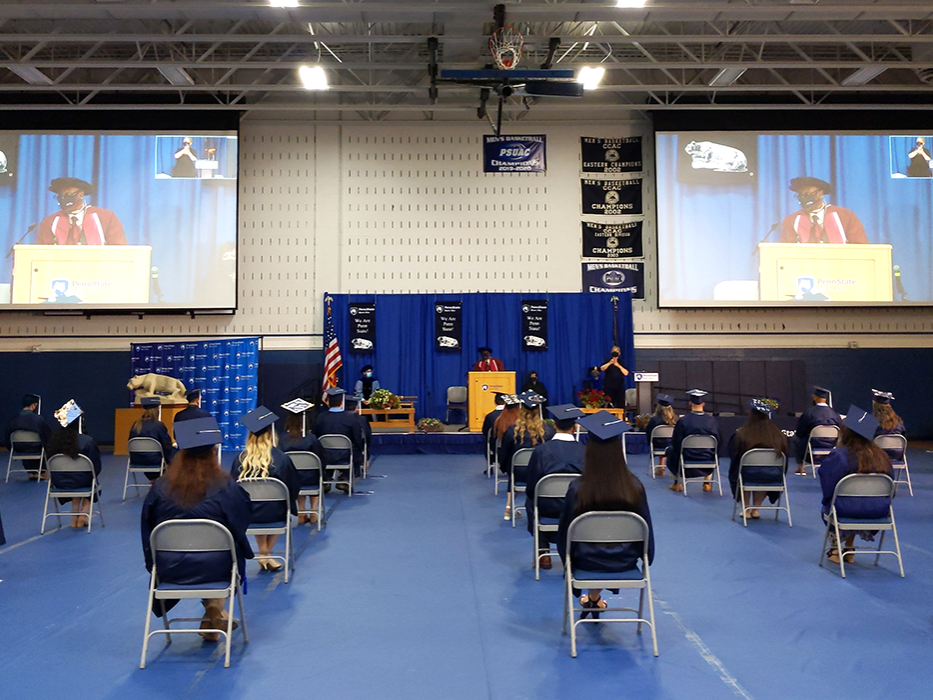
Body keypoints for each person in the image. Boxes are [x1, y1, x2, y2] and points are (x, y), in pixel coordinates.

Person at [140, 416, 253, 641]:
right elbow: (241, 524)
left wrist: (154, 563)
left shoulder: (160, 488)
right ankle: (214, 608)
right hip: (217, 568)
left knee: (208, 553)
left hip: (171, 569)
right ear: (213, 453)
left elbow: (147, 529)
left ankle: (212, 611)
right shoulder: (226, 487)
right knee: (227, 550)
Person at [558, 411, 654, 619]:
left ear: (589, 451)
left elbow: (564, 536)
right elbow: (647, 536)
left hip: (586, 561)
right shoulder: (634, 487)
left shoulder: (578, 489)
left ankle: (591, 598)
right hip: (624, 561)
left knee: (586, 546)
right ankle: (594, 599)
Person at [818, 406, 893, 564]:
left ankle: (837, 549)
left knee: (836, 502)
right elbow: (890, 489)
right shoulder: (882, 457)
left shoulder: (839, 456)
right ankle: (849, 547)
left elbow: (828, 486)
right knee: (854, 500)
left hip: (845, 510)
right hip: (878, 511)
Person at [230, 407, 300, 572]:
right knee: (282, 505)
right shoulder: (281, 458)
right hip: (275, 513)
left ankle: (264, 553)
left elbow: (232, 489)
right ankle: (265, 554)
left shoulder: (240, 460)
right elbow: (293, 487)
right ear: (271, 433)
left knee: (253, 504)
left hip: (250, 515)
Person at [524, 404, 586, 569]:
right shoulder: (585, 451)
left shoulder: (541, 451)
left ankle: (543, 553)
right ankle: (574, 553)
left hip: (548, 506)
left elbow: (531, 488)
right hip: (576, 507)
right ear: (575, 428)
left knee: (533, 502)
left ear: (554, 425)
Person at [727, 398, 788, 519]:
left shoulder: (741, 435)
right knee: (764, 472)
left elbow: (733, 456)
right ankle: (755, 508)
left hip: (747, 475)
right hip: (772, 476)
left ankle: (746, 509)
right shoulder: (779, 437)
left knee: (741, 470)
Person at [499, 391, 554, 521]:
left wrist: (506, 469)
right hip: (543, 474)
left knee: (513, 469)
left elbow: (504, 455)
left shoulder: (513, 431)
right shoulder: (549, 430)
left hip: (520, 473)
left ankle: (508, 508)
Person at [46, 401, 102, 528]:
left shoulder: (53, 441)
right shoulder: (87, 441)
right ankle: (83, 513)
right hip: (82, 481)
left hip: (60, 482)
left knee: (74, 477)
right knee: (89, 480)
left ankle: (74, 514)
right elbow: (96, 468)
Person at [36, 177, 127, 246]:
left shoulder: (105, 217)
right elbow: (41, 254)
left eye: (68, 194)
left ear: (81, 194)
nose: (64, 199)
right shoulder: (49, 222)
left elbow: (119, 250)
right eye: (61, 196)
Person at [779, 176, 868, 244]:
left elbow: (861, 247)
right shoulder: (792, 220)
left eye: (807, 194)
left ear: (820, 194)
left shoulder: (845, 215)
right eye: (800, 196)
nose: (804, 198)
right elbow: (785, 251)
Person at [666, 389, 720, 492]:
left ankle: (677, 483)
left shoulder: (683, 421)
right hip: (707, 457)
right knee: (714, 453)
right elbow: (718, 441)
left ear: (690, 403)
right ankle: (707, 483)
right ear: (703, 404)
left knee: (671, 450)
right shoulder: (711, 421)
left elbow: (676, 442)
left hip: (687, 456)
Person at [311, 387, 364, 492]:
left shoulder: (320, 417)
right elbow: (357, 437)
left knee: (321, 448)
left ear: (329, 402)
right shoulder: (351, 418)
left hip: (325, 455)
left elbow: (314, 436)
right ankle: (344, 478)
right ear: (341, 402)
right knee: (355, 449)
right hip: (345, 454)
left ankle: (326, 478)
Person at [793, 385, 842, 475]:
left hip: (813, 444)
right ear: (825, 399)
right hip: (831, 445)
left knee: (796, 438)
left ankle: (801, 467)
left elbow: (800, 432)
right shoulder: (835, 414)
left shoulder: (809, 413)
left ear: (814, 397)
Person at [128, 396, 176, 481]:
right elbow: (166, 447)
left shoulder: (135, 425)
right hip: (155, 461)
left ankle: (154, 480)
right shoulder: (158, 425)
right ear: (157, 409)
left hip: (137, 460)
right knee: (177, 454)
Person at [5, 392, 51, 480]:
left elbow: (7, 437)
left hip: (18, 447)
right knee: (41, 444)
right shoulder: (38, 419)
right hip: (35, 447)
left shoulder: (13, 420)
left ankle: (31, 472)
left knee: (25, 445)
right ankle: (41, 472)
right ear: (33, 405)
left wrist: (11, 447)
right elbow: (47, 436)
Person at [645, 394, 678, 477]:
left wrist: (650, 444)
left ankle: (660, 467)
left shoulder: (654, 420)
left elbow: (648, 434)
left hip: (657, 445)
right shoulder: (676, 420)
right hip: (672, 445)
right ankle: (664, 467)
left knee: (659, 440)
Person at [871, 389, 905, 462]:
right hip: (897, 454)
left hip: (878, 454)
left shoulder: (874, 423)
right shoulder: (899, 422)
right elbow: (903, 434)